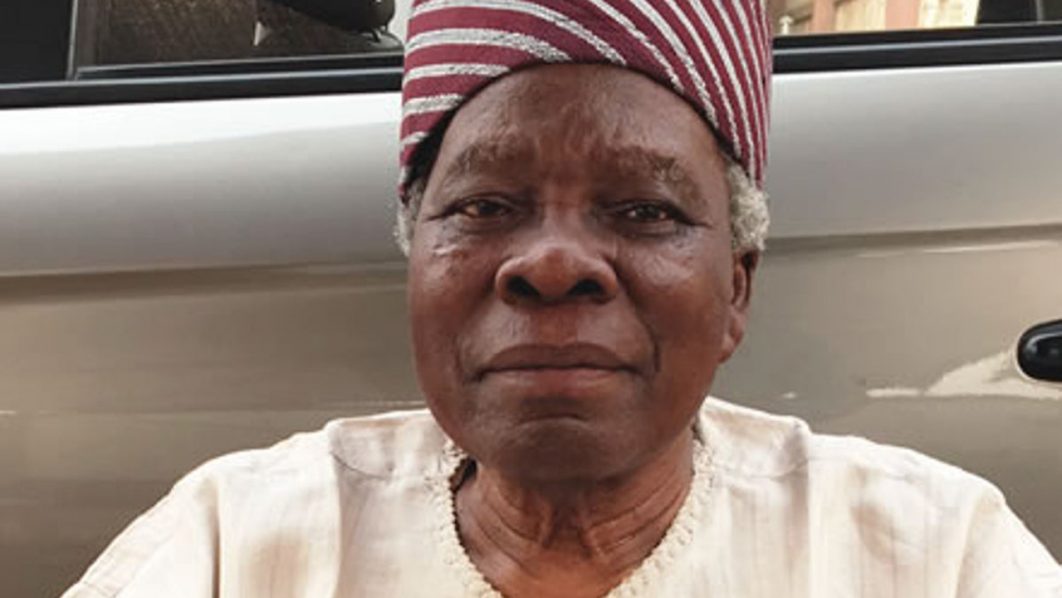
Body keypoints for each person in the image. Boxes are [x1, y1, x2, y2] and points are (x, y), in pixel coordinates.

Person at [64, 1, 1062, 597]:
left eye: (643, 210)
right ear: (416, 267)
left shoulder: (933, 553)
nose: (550, 265)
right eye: (486, 205)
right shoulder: (235, 543)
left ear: (735, 290)